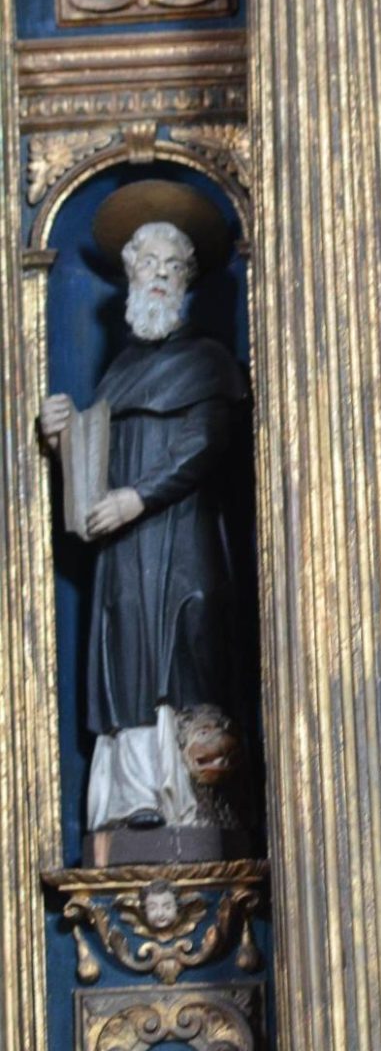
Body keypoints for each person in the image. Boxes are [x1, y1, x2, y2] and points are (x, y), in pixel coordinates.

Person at [39, 186, 248, 854]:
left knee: (190, 648)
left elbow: (203, 443)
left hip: (183, 538)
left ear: (187, 280)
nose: (159, 275)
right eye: (148, 263)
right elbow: (95, 468)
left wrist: (137, 498)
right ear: (130, 275)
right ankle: (131, 803)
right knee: (124, 657)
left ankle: (191, 800)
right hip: (125, 555)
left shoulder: (207, 361)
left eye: (172, 266)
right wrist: (63, 439)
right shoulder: (119, 370)